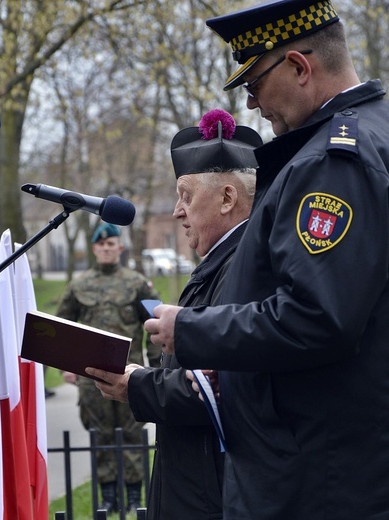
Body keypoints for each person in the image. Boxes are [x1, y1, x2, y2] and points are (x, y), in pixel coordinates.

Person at [144, 1, 389, 519]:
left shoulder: (331, 160)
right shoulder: (372, 131)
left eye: (255, 84)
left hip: (317, 479)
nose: (253, 105)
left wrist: (190, 330)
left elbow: (317, 317)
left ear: (300, 67)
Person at [85, 108, 262, 519]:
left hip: (210, 495)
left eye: (186, 195)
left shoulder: (243, 268)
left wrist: (137, 385)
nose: (177, 211)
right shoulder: (224, 262)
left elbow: (222, 391)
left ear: (227, 198)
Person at [57, 222, 161, 513]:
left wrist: (157, 367)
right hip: (91, 377)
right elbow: (61, 326)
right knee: (100, 434)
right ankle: (109, 497)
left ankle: (133, 497)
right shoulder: (78, 285)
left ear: (120, 247)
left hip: (129, 374)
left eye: (111, 243)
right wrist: (66, 366)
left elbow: (154, 327)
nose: (105, 248)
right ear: (94, 249)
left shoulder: (138, 283)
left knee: (131, 433)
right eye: (101, 245)